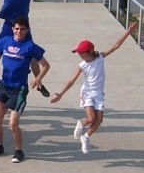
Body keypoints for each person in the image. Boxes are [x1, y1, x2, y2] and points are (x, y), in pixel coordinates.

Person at [51, 22, 137, 154]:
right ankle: (81, 123)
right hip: (87, 93)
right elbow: (72, 80)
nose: (80, 56)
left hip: (99, 94)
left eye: (82, 53)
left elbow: (116, 46)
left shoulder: (100, 58)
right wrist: (61, 94)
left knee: (99, 120)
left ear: (90, 51)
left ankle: (85, 137)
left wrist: (128, 31)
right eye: (79, 53)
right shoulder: (82, 65)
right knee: (91, 119)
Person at [0, 17, 50, 163]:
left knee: (13, 123)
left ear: (27, 30)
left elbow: (46, 65)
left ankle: (19, 151)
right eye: (16, 28)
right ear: (12, 29)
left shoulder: (30, 46)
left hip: (19, 90)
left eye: (22, 29)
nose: (19, 31)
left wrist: (38, 78)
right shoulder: (5, 41)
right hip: (4, 87)